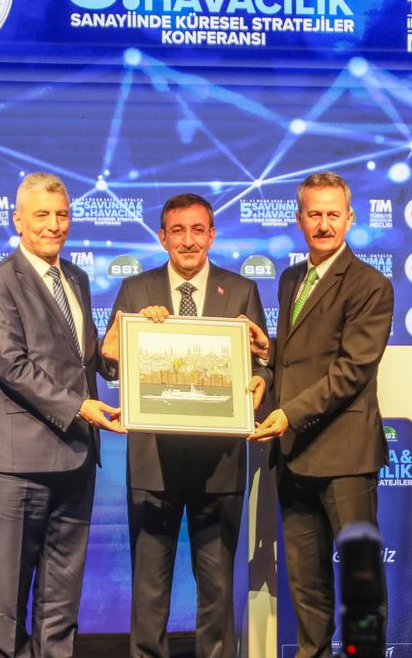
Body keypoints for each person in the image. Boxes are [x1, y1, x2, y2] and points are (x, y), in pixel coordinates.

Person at [99, 193, 271, 658]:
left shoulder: (241, 291)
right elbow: (110, 361)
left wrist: (261, 379)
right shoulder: (136, 290)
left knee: (217, 590)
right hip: (153, 462)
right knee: (149, 588)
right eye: (178, 230)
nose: (188, 240)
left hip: (219, 464)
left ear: (212, 235)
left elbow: (263, 362)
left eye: (198, 230)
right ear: (163, 238)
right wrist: (116, 346)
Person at [0, 172, 125, 658]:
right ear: (18, 220)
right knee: (9, 604)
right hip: (15, 466)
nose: (54, 225)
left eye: (62, 215)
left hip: (76, 459)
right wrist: (79, 407)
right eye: (42, 215)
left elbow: (80, 359)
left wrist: (117, 354)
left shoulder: (75, 278)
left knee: (61, 600)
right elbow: (13, 367)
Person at [248, 171, 394, 658]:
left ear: (350, 219)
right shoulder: (291, 279)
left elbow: (351, 370)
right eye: (315, 214)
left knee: (360, 584)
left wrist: (288, 413)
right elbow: (297, 357)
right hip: (295, 457)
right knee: (306, 585)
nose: (324, 224)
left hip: (345, 458)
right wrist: (268, 359)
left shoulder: (371, 285)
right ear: (299, 219)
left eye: (334, 214)